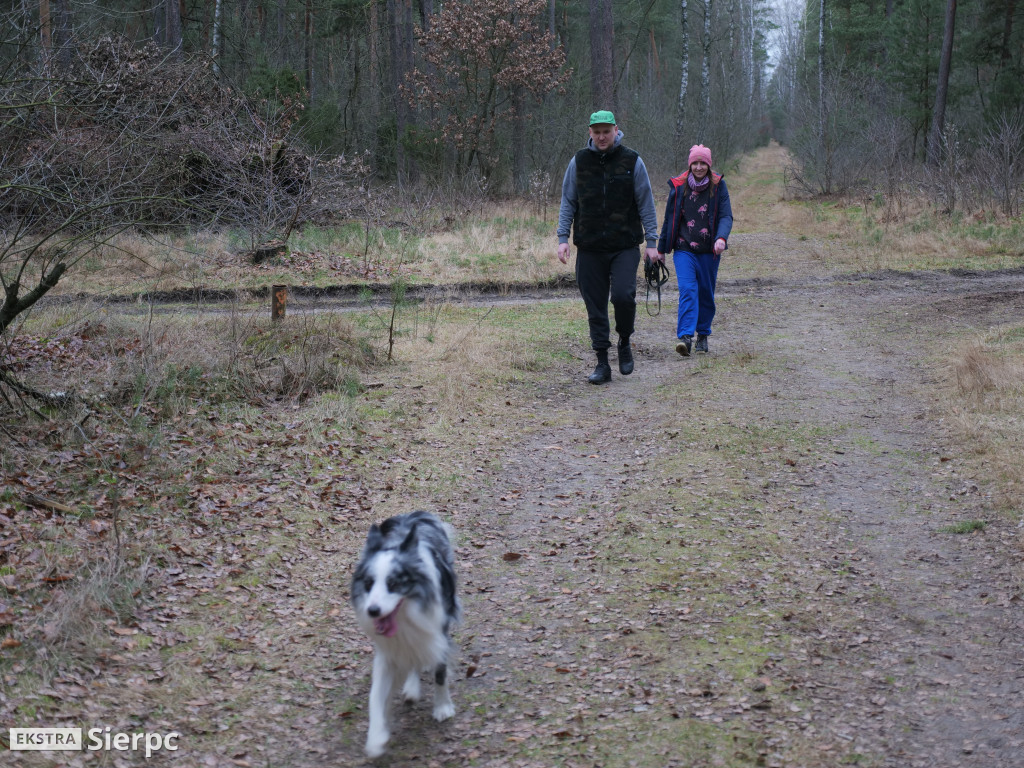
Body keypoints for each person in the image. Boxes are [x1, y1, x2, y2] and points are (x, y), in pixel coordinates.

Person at [557, 110, 662, 384]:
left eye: (607, 131)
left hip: (624, 245)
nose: (602, 137)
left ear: (616, 130)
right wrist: (562, 238)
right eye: (597, 132)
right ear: (590, 132)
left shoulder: (632, 160)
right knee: (595, 305)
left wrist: (652, 243)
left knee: (624, 297)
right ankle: (602, 362)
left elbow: (645, 202)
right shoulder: (578, 162)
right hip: (590, 246)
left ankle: (624, 340)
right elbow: (568, 201)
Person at [657, 144, 733, 356]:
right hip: (684, 249)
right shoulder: (679, 186)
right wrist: (661, 249)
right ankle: (685, 337)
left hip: (710, 250)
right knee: (688, 290)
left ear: (708, 165)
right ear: (689, 164)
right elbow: (669, 219)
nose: (699, 167)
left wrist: (721, 238)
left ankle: (703, 335)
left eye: (703, 163)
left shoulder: (719, 186)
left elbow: (726, 216)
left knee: (705, 292)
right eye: (695, 163)